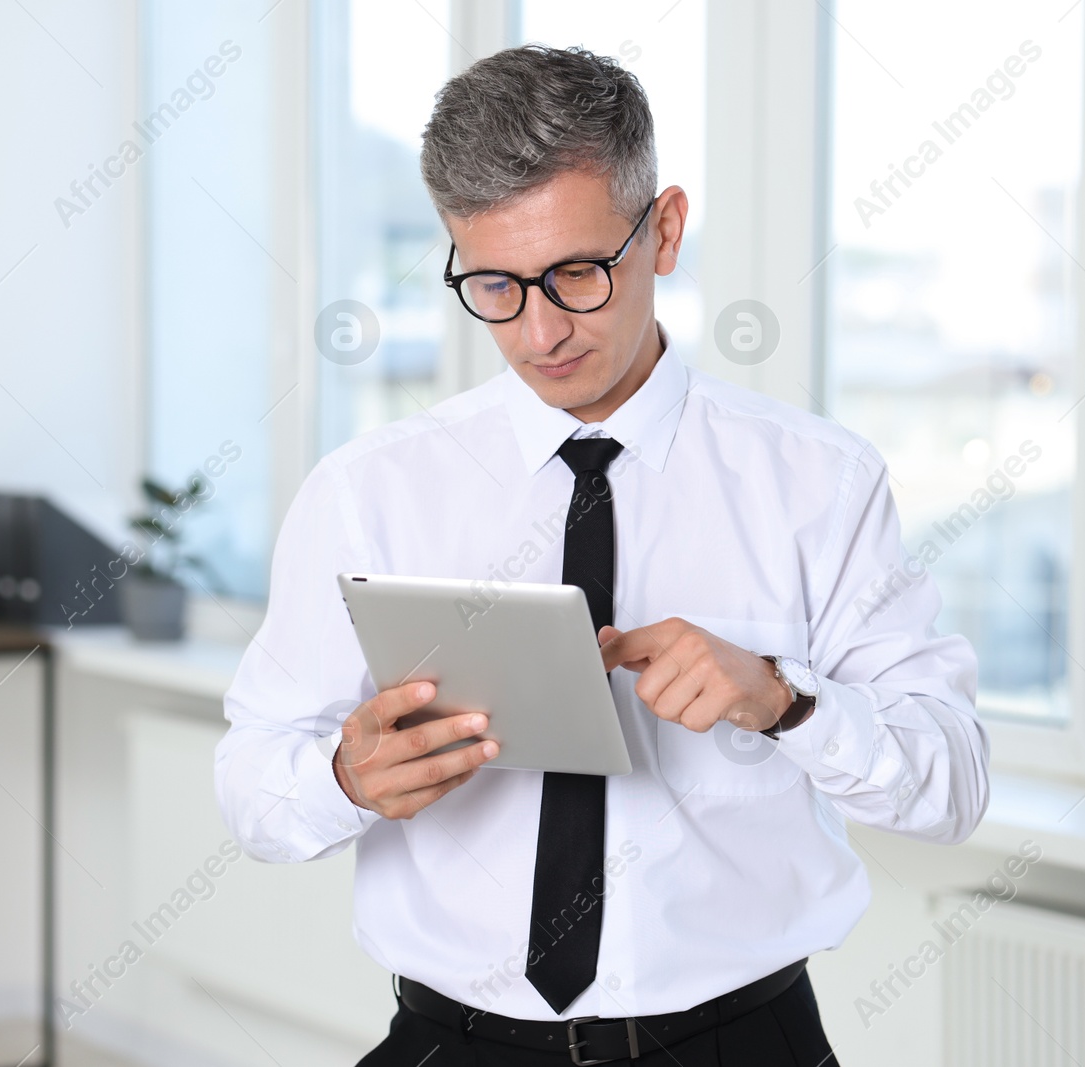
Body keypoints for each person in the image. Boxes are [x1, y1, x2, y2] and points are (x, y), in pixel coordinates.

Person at [216, 44, 988, 1067]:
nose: (539, 331)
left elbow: (951, 788)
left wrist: (783, 698)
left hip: (737, 1042)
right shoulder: (372, 489)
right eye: (493, 283)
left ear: (663, 230)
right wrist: (344, 776)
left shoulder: (818, 483)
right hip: (453, 1043)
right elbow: (252, 785)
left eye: (577, 273)